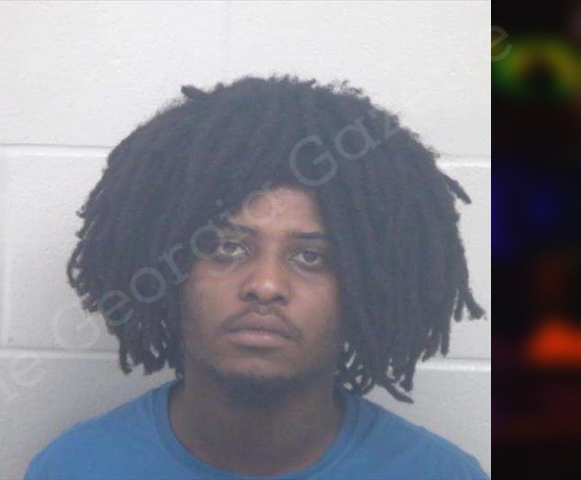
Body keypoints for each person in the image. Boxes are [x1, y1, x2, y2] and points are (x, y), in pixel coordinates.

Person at [24, 75, 489, 479]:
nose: (265, 285)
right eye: (227, 248)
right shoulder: (74, 468)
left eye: (310, 257)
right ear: (166, 267)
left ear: (371, 285)